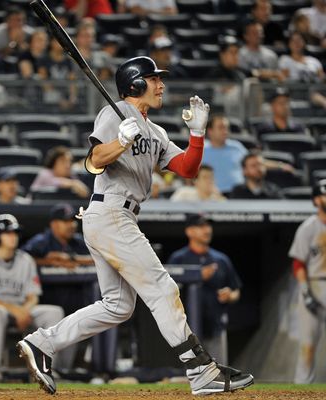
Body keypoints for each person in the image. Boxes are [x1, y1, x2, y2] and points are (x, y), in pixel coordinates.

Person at [16, 55, 253, 395]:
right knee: (162, 287)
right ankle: (200, 369)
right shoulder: (114, 113)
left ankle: (42, 344)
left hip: (115, 217)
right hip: (110, 212)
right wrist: (121, 141)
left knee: (118, 306)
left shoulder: (154, 130)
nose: (161, 85)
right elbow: (95, 161)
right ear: (136, 84)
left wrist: (197, 134)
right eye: (154, 79)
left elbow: (186, 168)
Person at [0, 214, 65, 382]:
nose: (13, 237)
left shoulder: (26, 260)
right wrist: (16, 311)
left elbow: (33, 296)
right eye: (7, 233)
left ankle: (46, 369)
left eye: (14, 233)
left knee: (54, 312)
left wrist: (24, 311)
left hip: (22, 308)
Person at [167, 214, 242, 365]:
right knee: (189, 375)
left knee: (218, 370)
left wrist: (229, 295)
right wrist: (197, 276)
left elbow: (236, 291)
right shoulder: (178, 258)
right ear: (189, 231)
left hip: (215, 325)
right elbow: (167, 291)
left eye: (208, 226)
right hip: (186, 330)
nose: (207, 230)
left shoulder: (221, 259)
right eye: (201, 226)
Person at [288, 179, 326, 383]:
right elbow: (298, 264)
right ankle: (303, 389)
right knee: (308, 344)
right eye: (324, 195)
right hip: (315, 284)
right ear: (316, 200)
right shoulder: (308, 227)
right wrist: (305, 292)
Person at [22, 203, 93, 269]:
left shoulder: (79, 240)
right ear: (54, 224)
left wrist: (72, 258)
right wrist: (47, 262)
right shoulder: (41, 241)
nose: (72, 225)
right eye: (66, 221)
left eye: (73, 220)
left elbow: (98, 259)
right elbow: (20, 259)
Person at [202, 115, 248, 195]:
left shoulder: (236, 147)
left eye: (227, 128)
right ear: (210, 131)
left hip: (239, 195)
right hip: (210, 197)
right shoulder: (199, 149)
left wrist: (277, 165)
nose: (225, 131)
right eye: (221, 128)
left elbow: (256, 162)